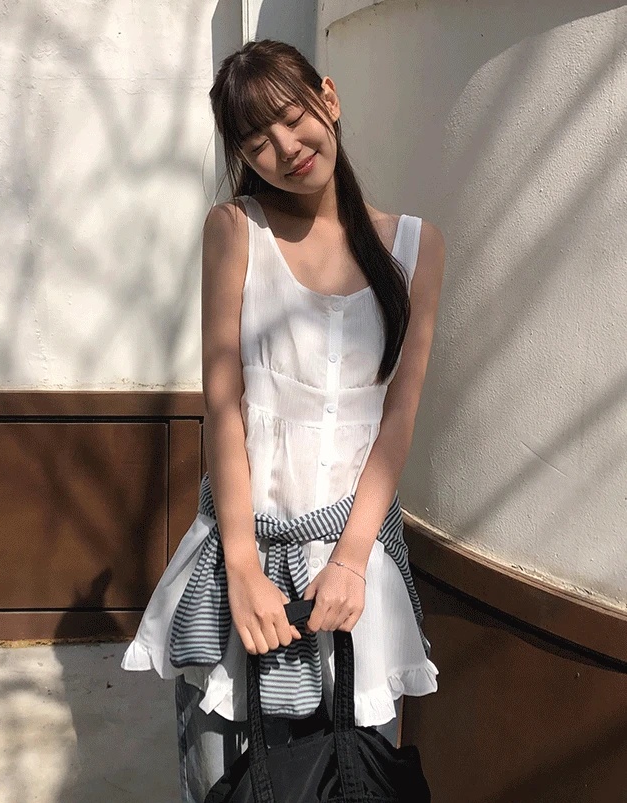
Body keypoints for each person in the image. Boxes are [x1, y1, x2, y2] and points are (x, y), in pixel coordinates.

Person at [122, 39, 445, 802]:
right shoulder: (236, 229)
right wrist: (241, 566)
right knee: (226, 775)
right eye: (256, 139)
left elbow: (398, 413)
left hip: (356, 570)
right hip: (244, 554)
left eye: (292, 116)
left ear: (328, 98)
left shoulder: (415, 245)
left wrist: (352, 560)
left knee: (353, 772)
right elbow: (223, 403)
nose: (285, 147)